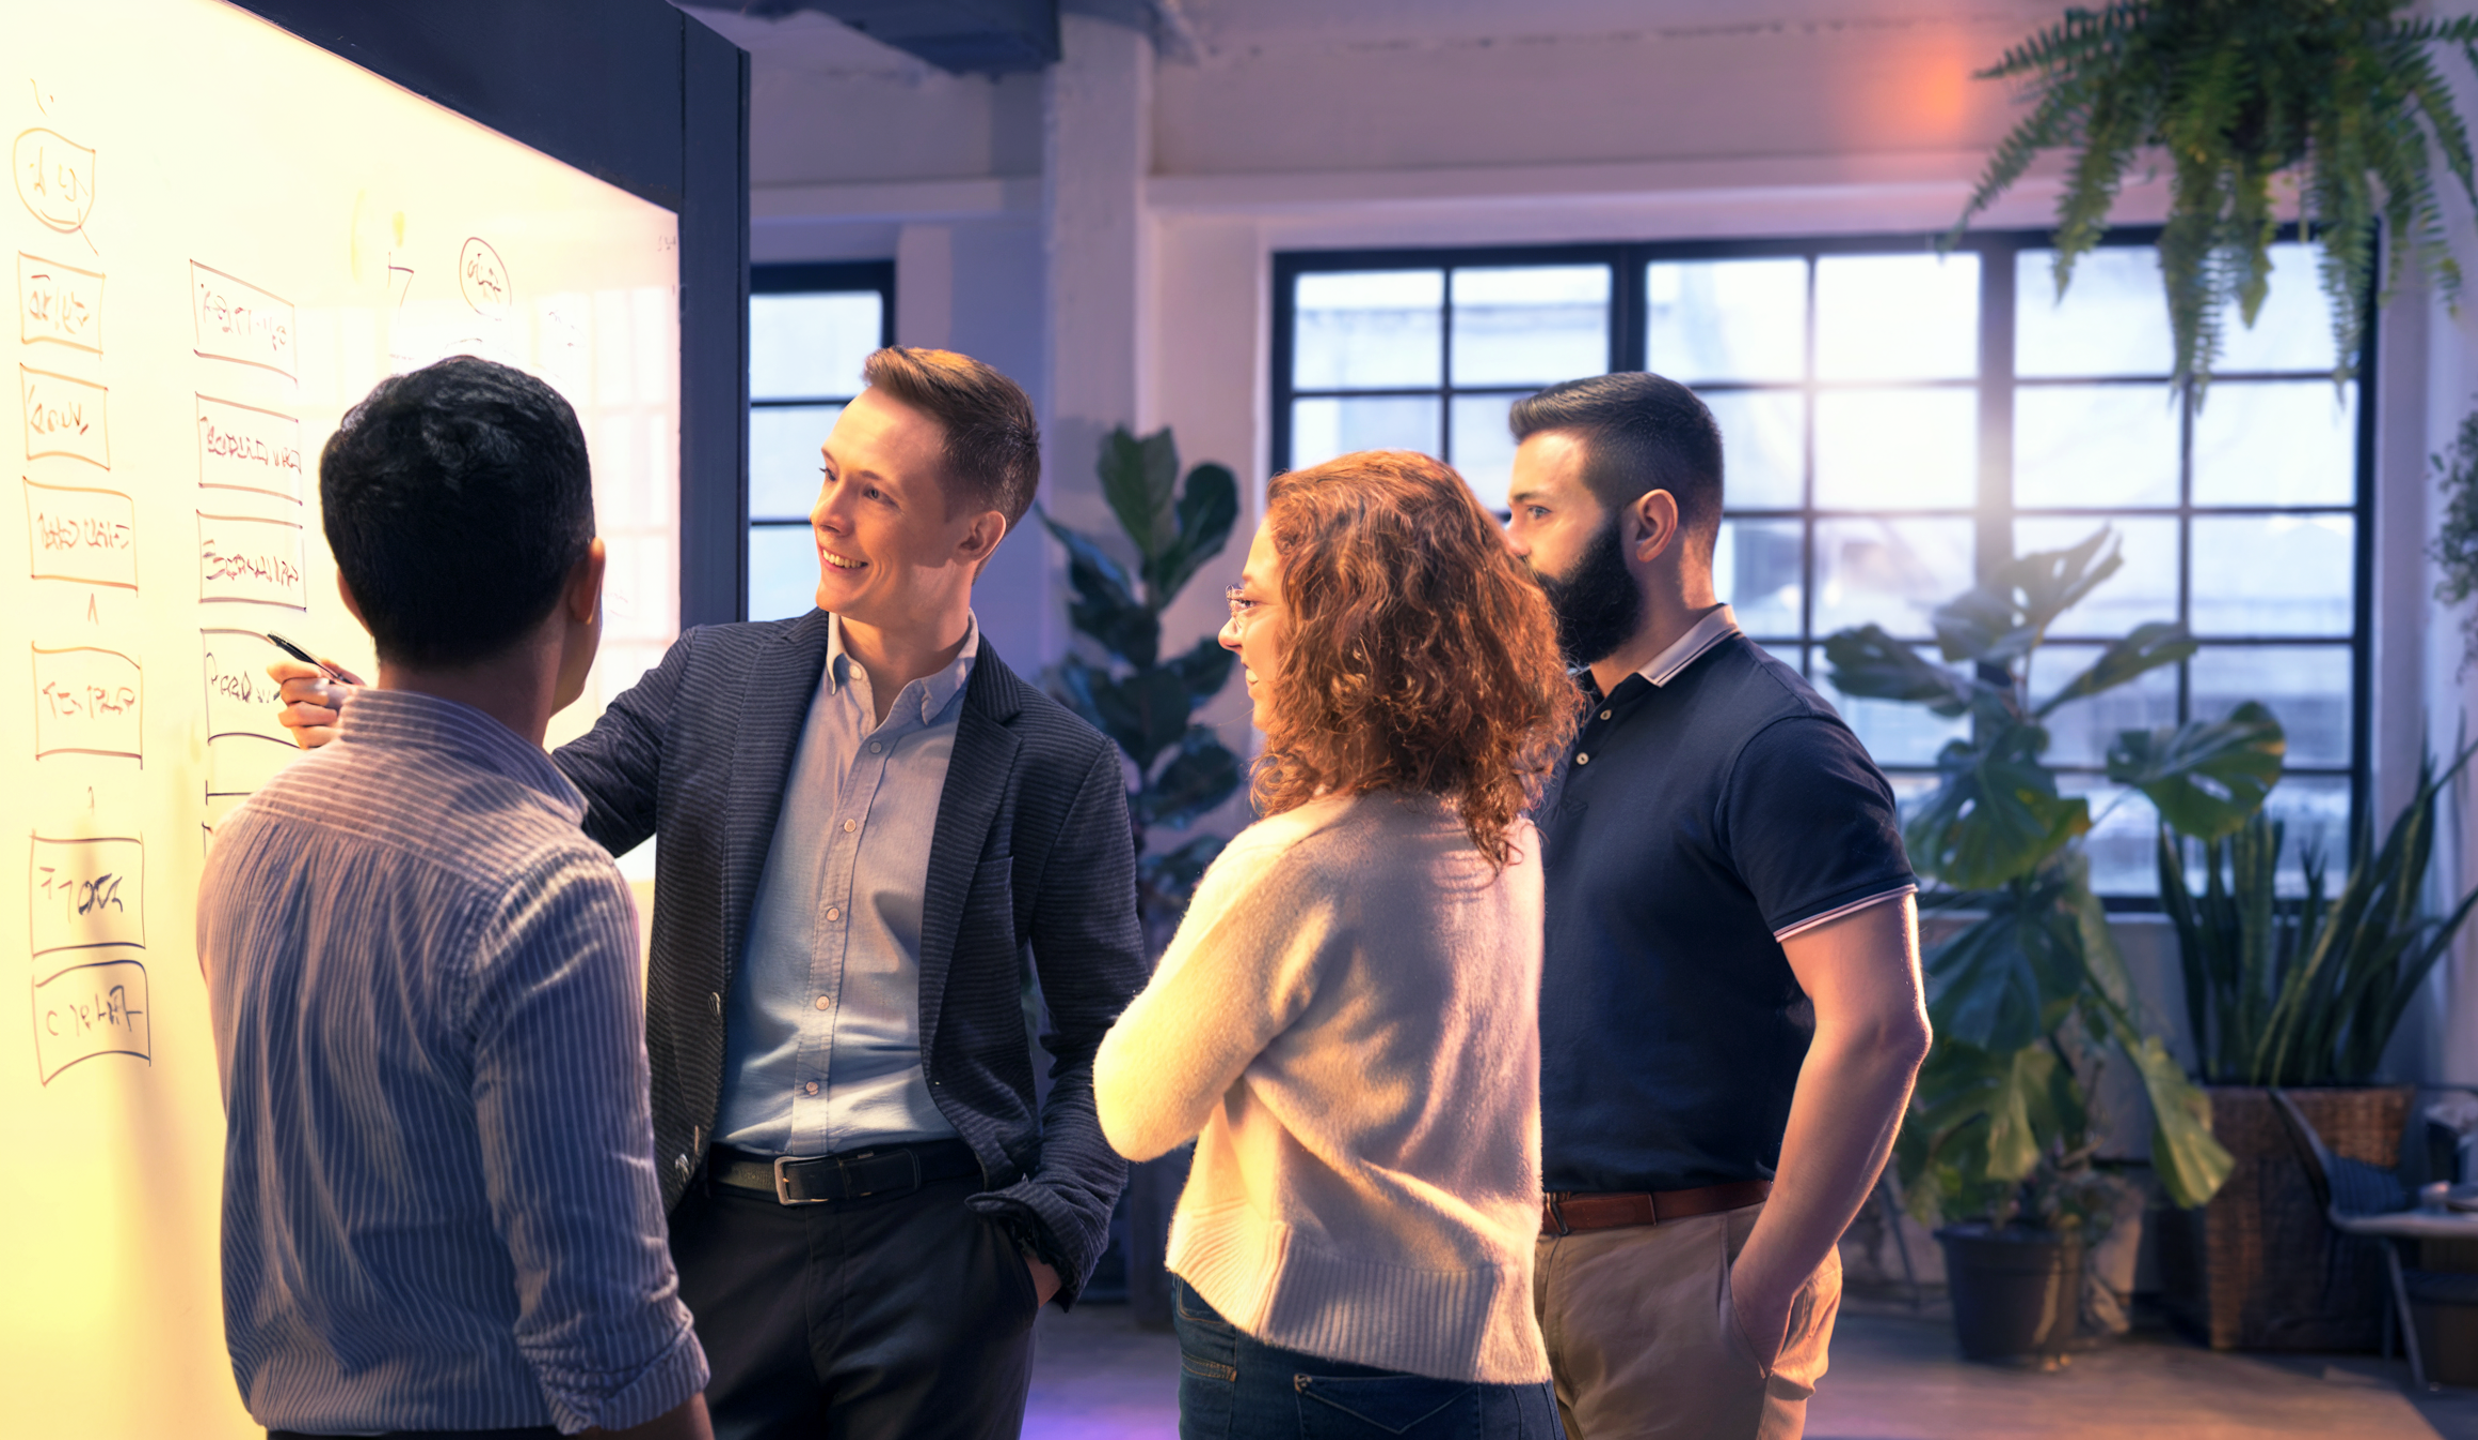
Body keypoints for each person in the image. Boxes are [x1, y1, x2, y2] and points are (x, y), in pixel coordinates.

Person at [269, 347, 1149, 1440]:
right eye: (830, 474)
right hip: (716, 1235)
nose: (828, 514)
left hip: (943, 1249)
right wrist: (405, 720)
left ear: (975, 536)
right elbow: (546, 803)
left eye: (873, 493)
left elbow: (1108, 1035)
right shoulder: (712, 680)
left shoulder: (1054, 764)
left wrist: (1036, 1252)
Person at [200, 357, 712, 1440]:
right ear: (589, 582)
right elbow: (608, 1332)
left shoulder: (253, 840)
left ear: (351, 591)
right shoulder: (550, 891)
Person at [1094, 450, 1581, 1440]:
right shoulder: (1506, 840)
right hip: (1498, 1369)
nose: (1230, 634)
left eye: (1255, 603)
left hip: (1309, 1367)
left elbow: (1135, 1113)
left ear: (1343, 639)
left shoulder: (1299, 864)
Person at [1500, 373, 1933, 1440]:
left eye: (1537, 513)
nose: (1509, 544)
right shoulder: (1571, 724)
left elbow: (1880, 1030)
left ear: (1649, 524)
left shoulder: (1778, 743)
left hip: (1685, 1269)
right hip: (1527, 1259)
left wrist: (1758, 1288)